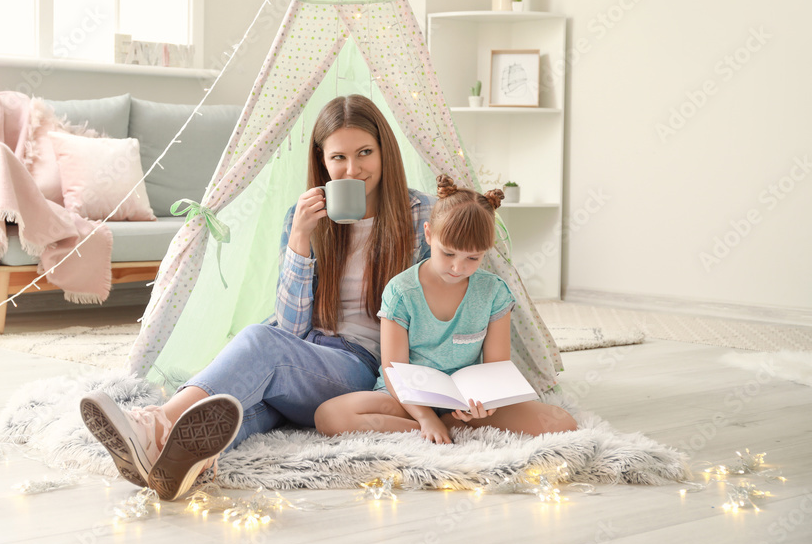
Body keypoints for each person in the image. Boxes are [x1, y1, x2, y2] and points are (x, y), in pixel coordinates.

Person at [80, 94, 437, 500]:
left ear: (384, 151)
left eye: (365, 153)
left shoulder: (422, 216)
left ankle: (155, 423)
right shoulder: (302, 218)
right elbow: (291, 327)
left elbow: (434, 309)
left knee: (258, 342)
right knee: (235, 411)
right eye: (339, 158)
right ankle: (174, 465)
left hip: (358, 367)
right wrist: (301, 239)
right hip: (302, 358)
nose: (352, 169)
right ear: (322, 161)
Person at [314, 175, 578, 444]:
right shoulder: (401, 291)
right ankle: (435, 428)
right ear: (429, 234)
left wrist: (485, 405)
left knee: (563, 422)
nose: (458, 268)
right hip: (407, 399)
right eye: (448, 253)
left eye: (472, 258)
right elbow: (395, 370)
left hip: (466, 402)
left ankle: (450, 426)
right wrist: (425, 417)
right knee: (330, 415)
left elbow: (496, 368)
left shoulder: (494, 292)